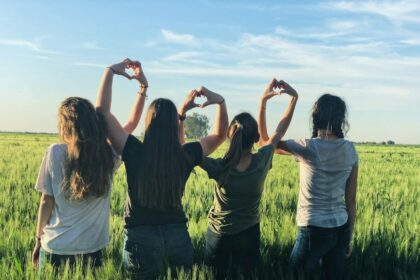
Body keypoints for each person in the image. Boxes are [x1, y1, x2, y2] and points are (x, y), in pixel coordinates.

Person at [95, 59, 229, 279]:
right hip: (178, 236)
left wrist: (109, 71)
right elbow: (220, 134)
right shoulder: (185, 155)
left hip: (140, 238)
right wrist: (220, 102)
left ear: (149, 123)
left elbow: (102, 113)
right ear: (174, 125)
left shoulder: (134, 150)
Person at [32, 70, 146, 269]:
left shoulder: (54, 152)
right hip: (91, 251)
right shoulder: (108, 155)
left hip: (55, 248)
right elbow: (131, 125)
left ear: (64, 125)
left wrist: (37, 240)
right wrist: (142, 88)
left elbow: (46, 201)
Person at [200, 78, 298, 279]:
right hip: (249, 235)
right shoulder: (262, 160)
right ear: (255, 138)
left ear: (229, 136)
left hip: (219, 236)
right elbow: (278, 132)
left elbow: (188, 152)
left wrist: (182, 114)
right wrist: (292, 99)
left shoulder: (219, 166)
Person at [258, 90, 359, 280]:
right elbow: (351, 200)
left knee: (294, 274)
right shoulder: (350, 150)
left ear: (315, 116)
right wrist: (349, 237)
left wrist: (263, 103)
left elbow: (265, 143)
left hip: (312, 229)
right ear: (341, 118)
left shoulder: (307, 146)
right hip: (340, 229)